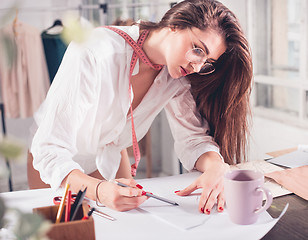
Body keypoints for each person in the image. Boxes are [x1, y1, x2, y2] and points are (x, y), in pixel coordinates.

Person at [27, 0, 253, 214]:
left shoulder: (177, 78)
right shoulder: (94, 50)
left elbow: (192, 139)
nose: (197, 66)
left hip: (108, 152)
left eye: (207, 62)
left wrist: (216, 165)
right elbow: (49, 149)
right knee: (61, 231)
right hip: (54, 158)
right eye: (198, 49)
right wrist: (99, 190)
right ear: (175, 24)